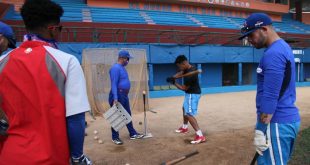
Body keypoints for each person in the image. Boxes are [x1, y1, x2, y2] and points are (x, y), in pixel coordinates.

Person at [0, 0, 92, 164]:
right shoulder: (67, 61)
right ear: (52, 29)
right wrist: (78, 157)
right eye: (60, 28)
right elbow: (75, 119)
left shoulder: (3, 61)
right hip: (50, 156)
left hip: (10, 155)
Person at [239, 13, 300, 165]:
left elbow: (271, 96)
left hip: (276, 122)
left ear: (264, 29)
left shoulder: (274, 53)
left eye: (251, 35)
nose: (249, 40)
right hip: (282, 121)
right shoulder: (282, 47)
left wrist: (261, 129)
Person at [167, 55, 206, 144]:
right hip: (190, 93)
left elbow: (184, 88)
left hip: (193, 94)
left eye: (179, 66)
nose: (179, 68)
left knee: (188, 114)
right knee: (184, 108)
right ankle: (185, 127)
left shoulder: (190, 75)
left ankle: (200, 135)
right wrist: (173, 77)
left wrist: (174, 83)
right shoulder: (188, 68)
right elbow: (181, 73)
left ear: (184, 63)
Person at [108, 49, 144, 145]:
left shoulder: (122, 67)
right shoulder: (115, 68)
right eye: (127, 59)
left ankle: (132, 133)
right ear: (122, 58)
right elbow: (114, 84)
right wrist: (115, 98)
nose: (128, 61)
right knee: (117, 116)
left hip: (123, 95)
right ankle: (115, 137)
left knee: (127, 114)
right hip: (118, 95)